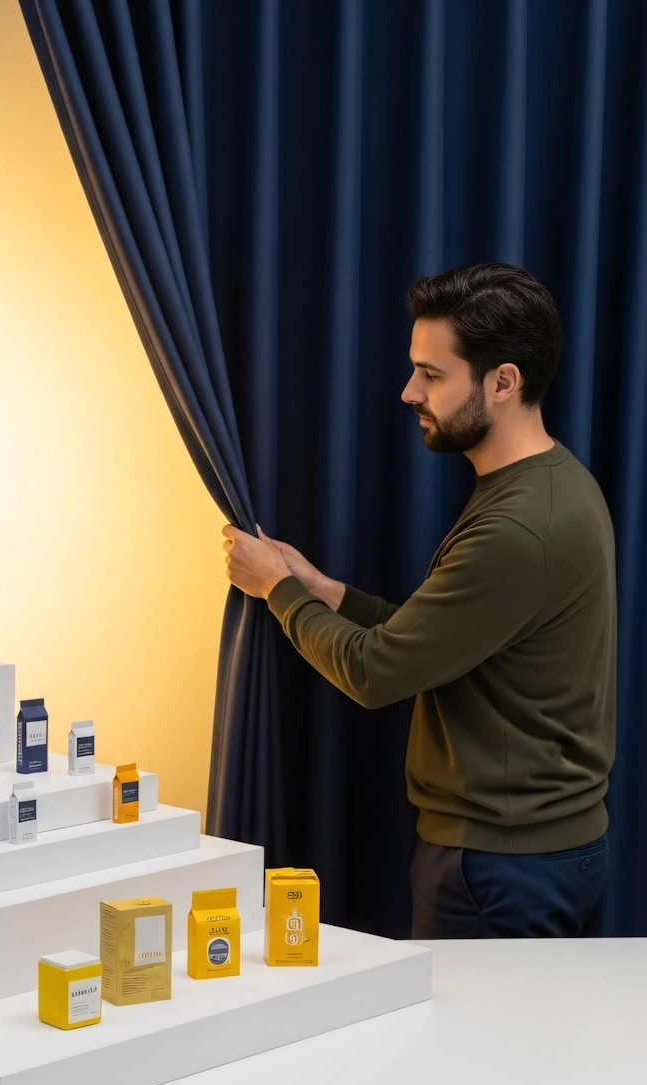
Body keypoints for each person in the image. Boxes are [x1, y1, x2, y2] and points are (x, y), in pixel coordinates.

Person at [223, 263, 615, 938]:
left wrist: (275, 589)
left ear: (503, 382)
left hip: (499, 868)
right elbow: (440, 636)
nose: (409, 392)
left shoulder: (520, 527)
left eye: (431, 374)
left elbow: (376, 671)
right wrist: (323, 590)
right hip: (533, 854)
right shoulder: (553, 484)